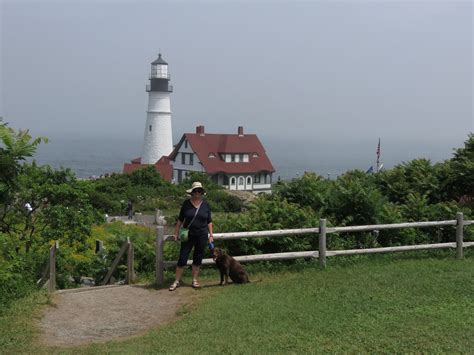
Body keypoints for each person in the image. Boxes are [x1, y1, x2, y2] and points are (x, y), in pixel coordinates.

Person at [169, 181, 214, 291]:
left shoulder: (206, 205)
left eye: (199, 191)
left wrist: (211, 235)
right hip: (187, 234)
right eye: (195, 191)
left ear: (202, 192)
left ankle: (194, 280)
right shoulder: (186, 204)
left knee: (198, 257)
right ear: (192, 192)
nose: (197, 193)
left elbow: (209, 221)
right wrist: (176, 233)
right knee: (183, 257)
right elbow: (180, 220)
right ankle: (177, 280)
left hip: (202, 234)